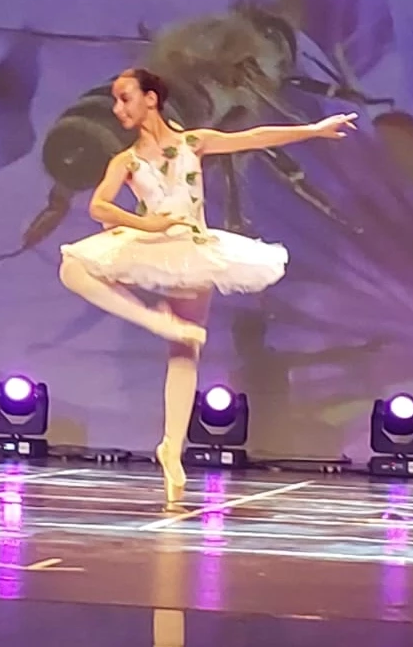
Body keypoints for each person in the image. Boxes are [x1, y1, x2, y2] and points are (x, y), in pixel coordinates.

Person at [58, 67, 356, 506]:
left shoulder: (192, 143)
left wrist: (312, 130)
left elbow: (253, 138)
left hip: (193, 250)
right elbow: (99, 206)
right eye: (116, 100)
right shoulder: (126, 161)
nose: (118, 108)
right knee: (72, 268)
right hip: (149, 243)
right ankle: (155, 322)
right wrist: (145, 223)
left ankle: (171, 449)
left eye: (125, 98)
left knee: (185, 350)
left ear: (151, 99)